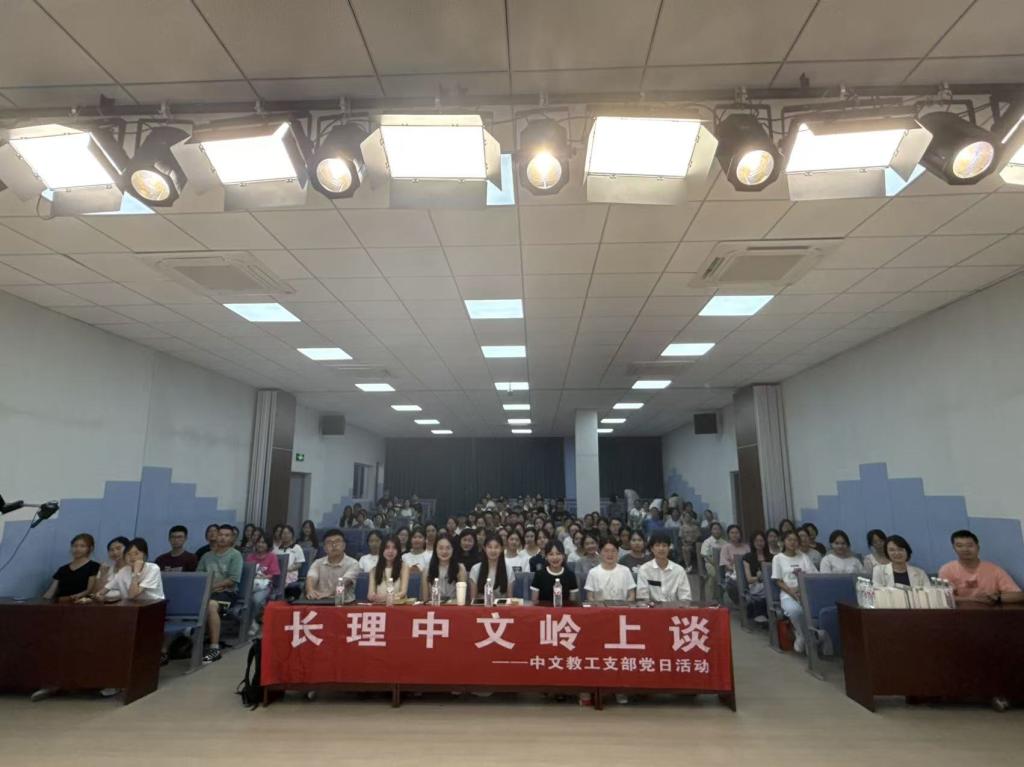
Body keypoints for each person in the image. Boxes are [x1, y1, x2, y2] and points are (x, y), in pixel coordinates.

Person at [197, 524, 243, 664]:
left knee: (211, 605)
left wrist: (212, 587)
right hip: (207, 592)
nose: (223, 538)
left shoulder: (235, 555)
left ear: (232, 538)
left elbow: (232, 580)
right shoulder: (206, 556)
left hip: (227, 594)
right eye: (220, 534)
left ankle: (214, 648)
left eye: (227, 535)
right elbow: (199, 575)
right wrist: (208, 588)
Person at [938, 530, 1023, 604]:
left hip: (989, 613)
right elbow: (944, 598)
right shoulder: (946, 570)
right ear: (954, 548)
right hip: (959, 614)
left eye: (970, 545)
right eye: (959, 546)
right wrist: (975, 600)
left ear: (978, 547)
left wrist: (997, 598)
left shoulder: (994, 569)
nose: (965, 549)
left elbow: (1018, 595)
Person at [771, 530, 818, 654]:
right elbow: (778, 581)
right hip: (787, 593)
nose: (793, 542)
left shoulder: (803, 557)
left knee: (813, 612)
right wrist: (791, 592)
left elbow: (813, 575)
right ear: (783, 542)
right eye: (789, 540)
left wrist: (801, 589)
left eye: (795, 540)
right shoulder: (778, 558)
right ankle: (803, 636)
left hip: (806, 592)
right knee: (795, 611)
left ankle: (808, 639)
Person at [90, 538, 165, 602]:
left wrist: (136, 572)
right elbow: (102, 592)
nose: (132, 557)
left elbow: (132, 595)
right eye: (128, 554)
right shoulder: (124, 571)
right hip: (130, 606)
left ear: (144, 555)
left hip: (152, 605)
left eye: (136, 553)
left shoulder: (153, 568)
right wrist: (99, 596)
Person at [42, 533, 100, 603]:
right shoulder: (62, 569)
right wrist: (43, 602)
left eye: (82, 546)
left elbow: (89, 590)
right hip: (60, 604)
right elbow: (50, 592)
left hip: (82, 604)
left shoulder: (94, 566)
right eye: (75, 546)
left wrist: (70, 598)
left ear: (90, 548)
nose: (78, 549)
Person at [305, 529, 360, 601]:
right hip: (319, 601)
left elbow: (344, 581)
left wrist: (328, 593)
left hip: (344, 603)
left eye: (337, 541)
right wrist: (310, 590)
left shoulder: (353, 563)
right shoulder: (317, 563)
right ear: (324, 548)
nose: (334, 545)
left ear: (344, 545)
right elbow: (311, 577)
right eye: (329, 542)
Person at [636, 530, 691, 602]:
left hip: (674, 607)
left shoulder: (679, 570)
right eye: (657, 545)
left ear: (669, 548)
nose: (661, 548)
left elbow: (685, 597)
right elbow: (642, 597)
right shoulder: (644, 569)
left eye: (664, 545)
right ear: (652, 549)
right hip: (652, 608)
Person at [245, 530, 280, 625]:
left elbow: (274, 574)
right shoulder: (250, 557)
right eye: (259, 542)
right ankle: (250, 622)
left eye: (263, 542)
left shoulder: (272, 557)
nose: (260, 544)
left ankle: (252, 622)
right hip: (250, 585)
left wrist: (263, 577)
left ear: (268, 545)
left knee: (256, 600)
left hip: (265, 586)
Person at [422, 534, 467, 602]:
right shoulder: (427, 569)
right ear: (435, 549)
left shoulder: (460, 568)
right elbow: (425, 600)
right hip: (434, 605)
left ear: (453, 549)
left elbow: (462, 599)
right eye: (441, 548)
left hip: (454, 606)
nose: (444, 551)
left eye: (448, 548)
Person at [470, 534, 514, 601]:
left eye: (496, 547)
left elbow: (510, 600)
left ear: (502, 549)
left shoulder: (509, 570)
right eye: (490, 547)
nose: (493, 550)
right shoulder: (475, 569)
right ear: (484, 549)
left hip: (502, 607)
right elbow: (473, 600)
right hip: (481, 606)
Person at [369, 536, 409, 603]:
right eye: (387, 547)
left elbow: (403, 593)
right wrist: (374, 597)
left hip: (397, 605)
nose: (390, 551)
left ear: (398, 550)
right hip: (379, 605)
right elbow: (370, 595)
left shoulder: (404, 567)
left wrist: (386, 598)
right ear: (382, 549)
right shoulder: (374, 570)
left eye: (394, 548)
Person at [742, 531, 771, 622]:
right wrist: (759, 578)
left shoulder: (771, 557)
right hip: (755, 585)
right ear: (753, 543)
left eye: (761, 540)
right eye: (756, 541)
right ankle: (762, 614)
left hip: (770, 583)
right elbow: (749, 579)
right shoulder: (747, 557)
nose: (759, 543)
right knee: (765, 590)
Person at [272, 524, 306, 595]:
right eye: (284, 533)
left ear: (292, 535)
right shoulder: (277, 549)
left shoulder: (297, 547)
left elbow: (299, 564)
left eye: (288, 533)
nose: (286, 535)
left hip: (290, 574)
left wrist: (287, 569)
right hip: (277, 574)